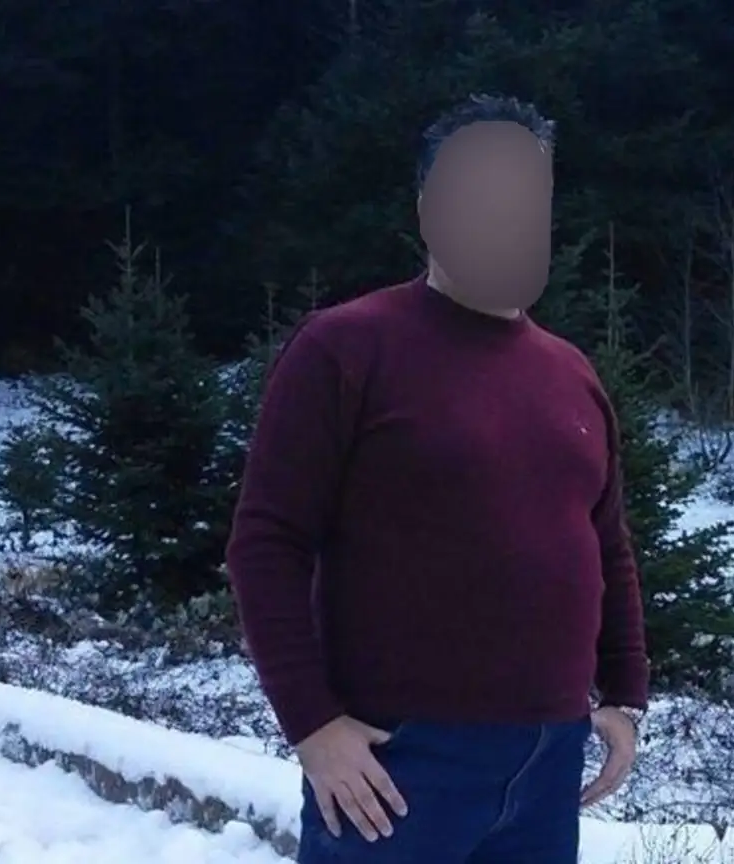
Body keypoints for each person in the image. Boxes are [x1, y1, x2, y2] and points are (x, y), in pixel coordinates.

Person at [226, 93, 649, 864]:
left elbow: (606, 545)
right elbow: (266, 541)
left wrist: (624, 694)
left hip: (549, 761)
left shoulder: (571, 373)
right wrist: (313, 727)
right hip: (399, 763)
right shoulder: (345, 348)